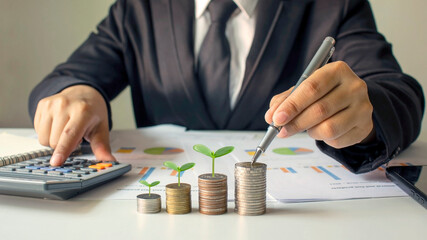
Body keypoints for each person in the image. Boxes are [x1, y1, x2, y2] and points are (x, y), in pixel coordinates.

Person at [29, 0, 424, 173]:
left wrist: (365, 113)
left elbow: (399, 94)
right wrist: (79, 91)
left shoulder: (332, 5)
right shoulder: (139, 7)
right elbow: (65, 80)